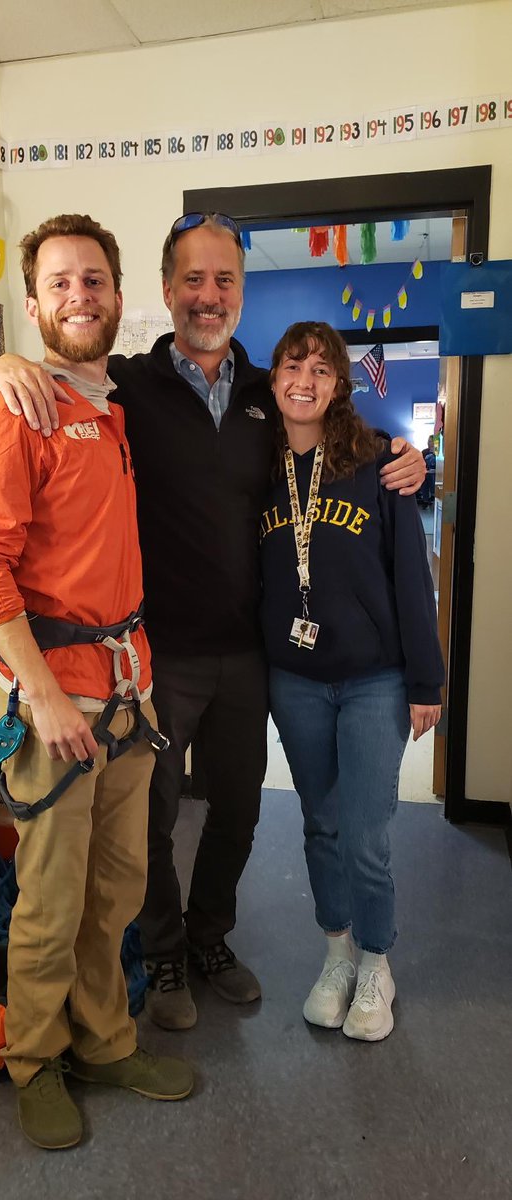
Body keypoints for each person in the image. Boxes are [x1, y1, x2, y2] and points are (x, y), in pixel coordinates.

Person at [0, 213, 427, 1033]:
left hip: (249, 650)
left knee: (239, 807)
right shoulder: (126, 387)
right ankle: (161, 955)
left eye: (224, 280)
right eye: (193, 279)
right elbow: (49, 374)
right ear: (164, 291)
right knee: (151, 814)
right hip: (153, 654)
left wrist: (408, 456)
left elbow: (336, 429)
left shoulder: (267, 392)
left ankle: (209, 937)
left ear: (240, 292)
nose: (208, 295)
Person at [0, 213, 193, 1152]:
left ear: (119, 297)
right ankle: (35, 1061)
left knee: (115, 889)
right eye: (59, 283)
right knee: (48, 900)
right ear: (35, 303)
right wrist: (41, 692)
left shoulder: (110, 404)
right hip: (62, 704)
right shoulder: (15, 409)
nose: (79, 296)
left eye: (93, 280)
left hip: (132, 694)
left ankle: (104, 1040)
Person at [262, 321, 443, 1041]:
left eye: (321, 369)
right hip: (295, 679)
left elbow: (411, 577)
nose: (304, 380)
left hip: (374, 680)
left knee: (365, 834)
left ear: (339, 385)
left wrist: (425, 683)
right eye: (291, 365)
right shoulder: (255, 465)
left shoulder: (378, 463)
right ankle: (335, 952)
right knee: (320, 825)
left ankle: (376, 961)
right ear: (271, 378)